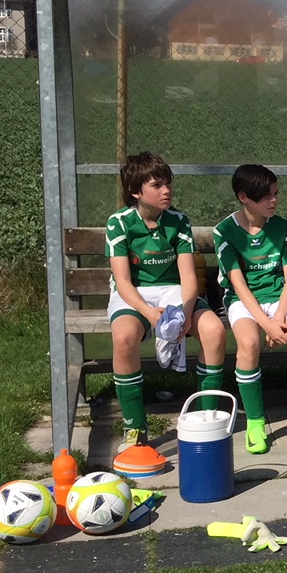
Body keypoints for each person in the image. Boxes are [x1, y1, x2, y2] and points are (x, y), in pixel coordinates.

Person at [105, 151, 228, 449]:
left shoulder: (179, 221)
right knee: (124, 338)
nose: (167, 191)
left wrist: (186, 312)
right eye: (158, 185)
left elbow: (188, 277)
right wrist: (149, 314)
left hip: (175, 291)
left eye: (168, 183)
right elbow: (122, 281)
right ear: (136, 191)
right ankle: (135, 428)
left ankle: (205, 417)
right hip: (134, 294)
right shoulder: (119, 223)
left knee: (214, 330)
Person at [214, 163, 287, 453]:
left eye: (276, 193)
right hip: (244, 301)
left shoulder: (285, 228)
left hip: (281, 298)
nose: (274, 201)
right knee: (249, 343)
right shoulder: (224, 231)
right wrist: (267, 326)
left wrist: (278, 316)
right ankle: (255, 422)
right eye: (266, 196)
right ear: (244, 197)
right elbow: (238, 285)